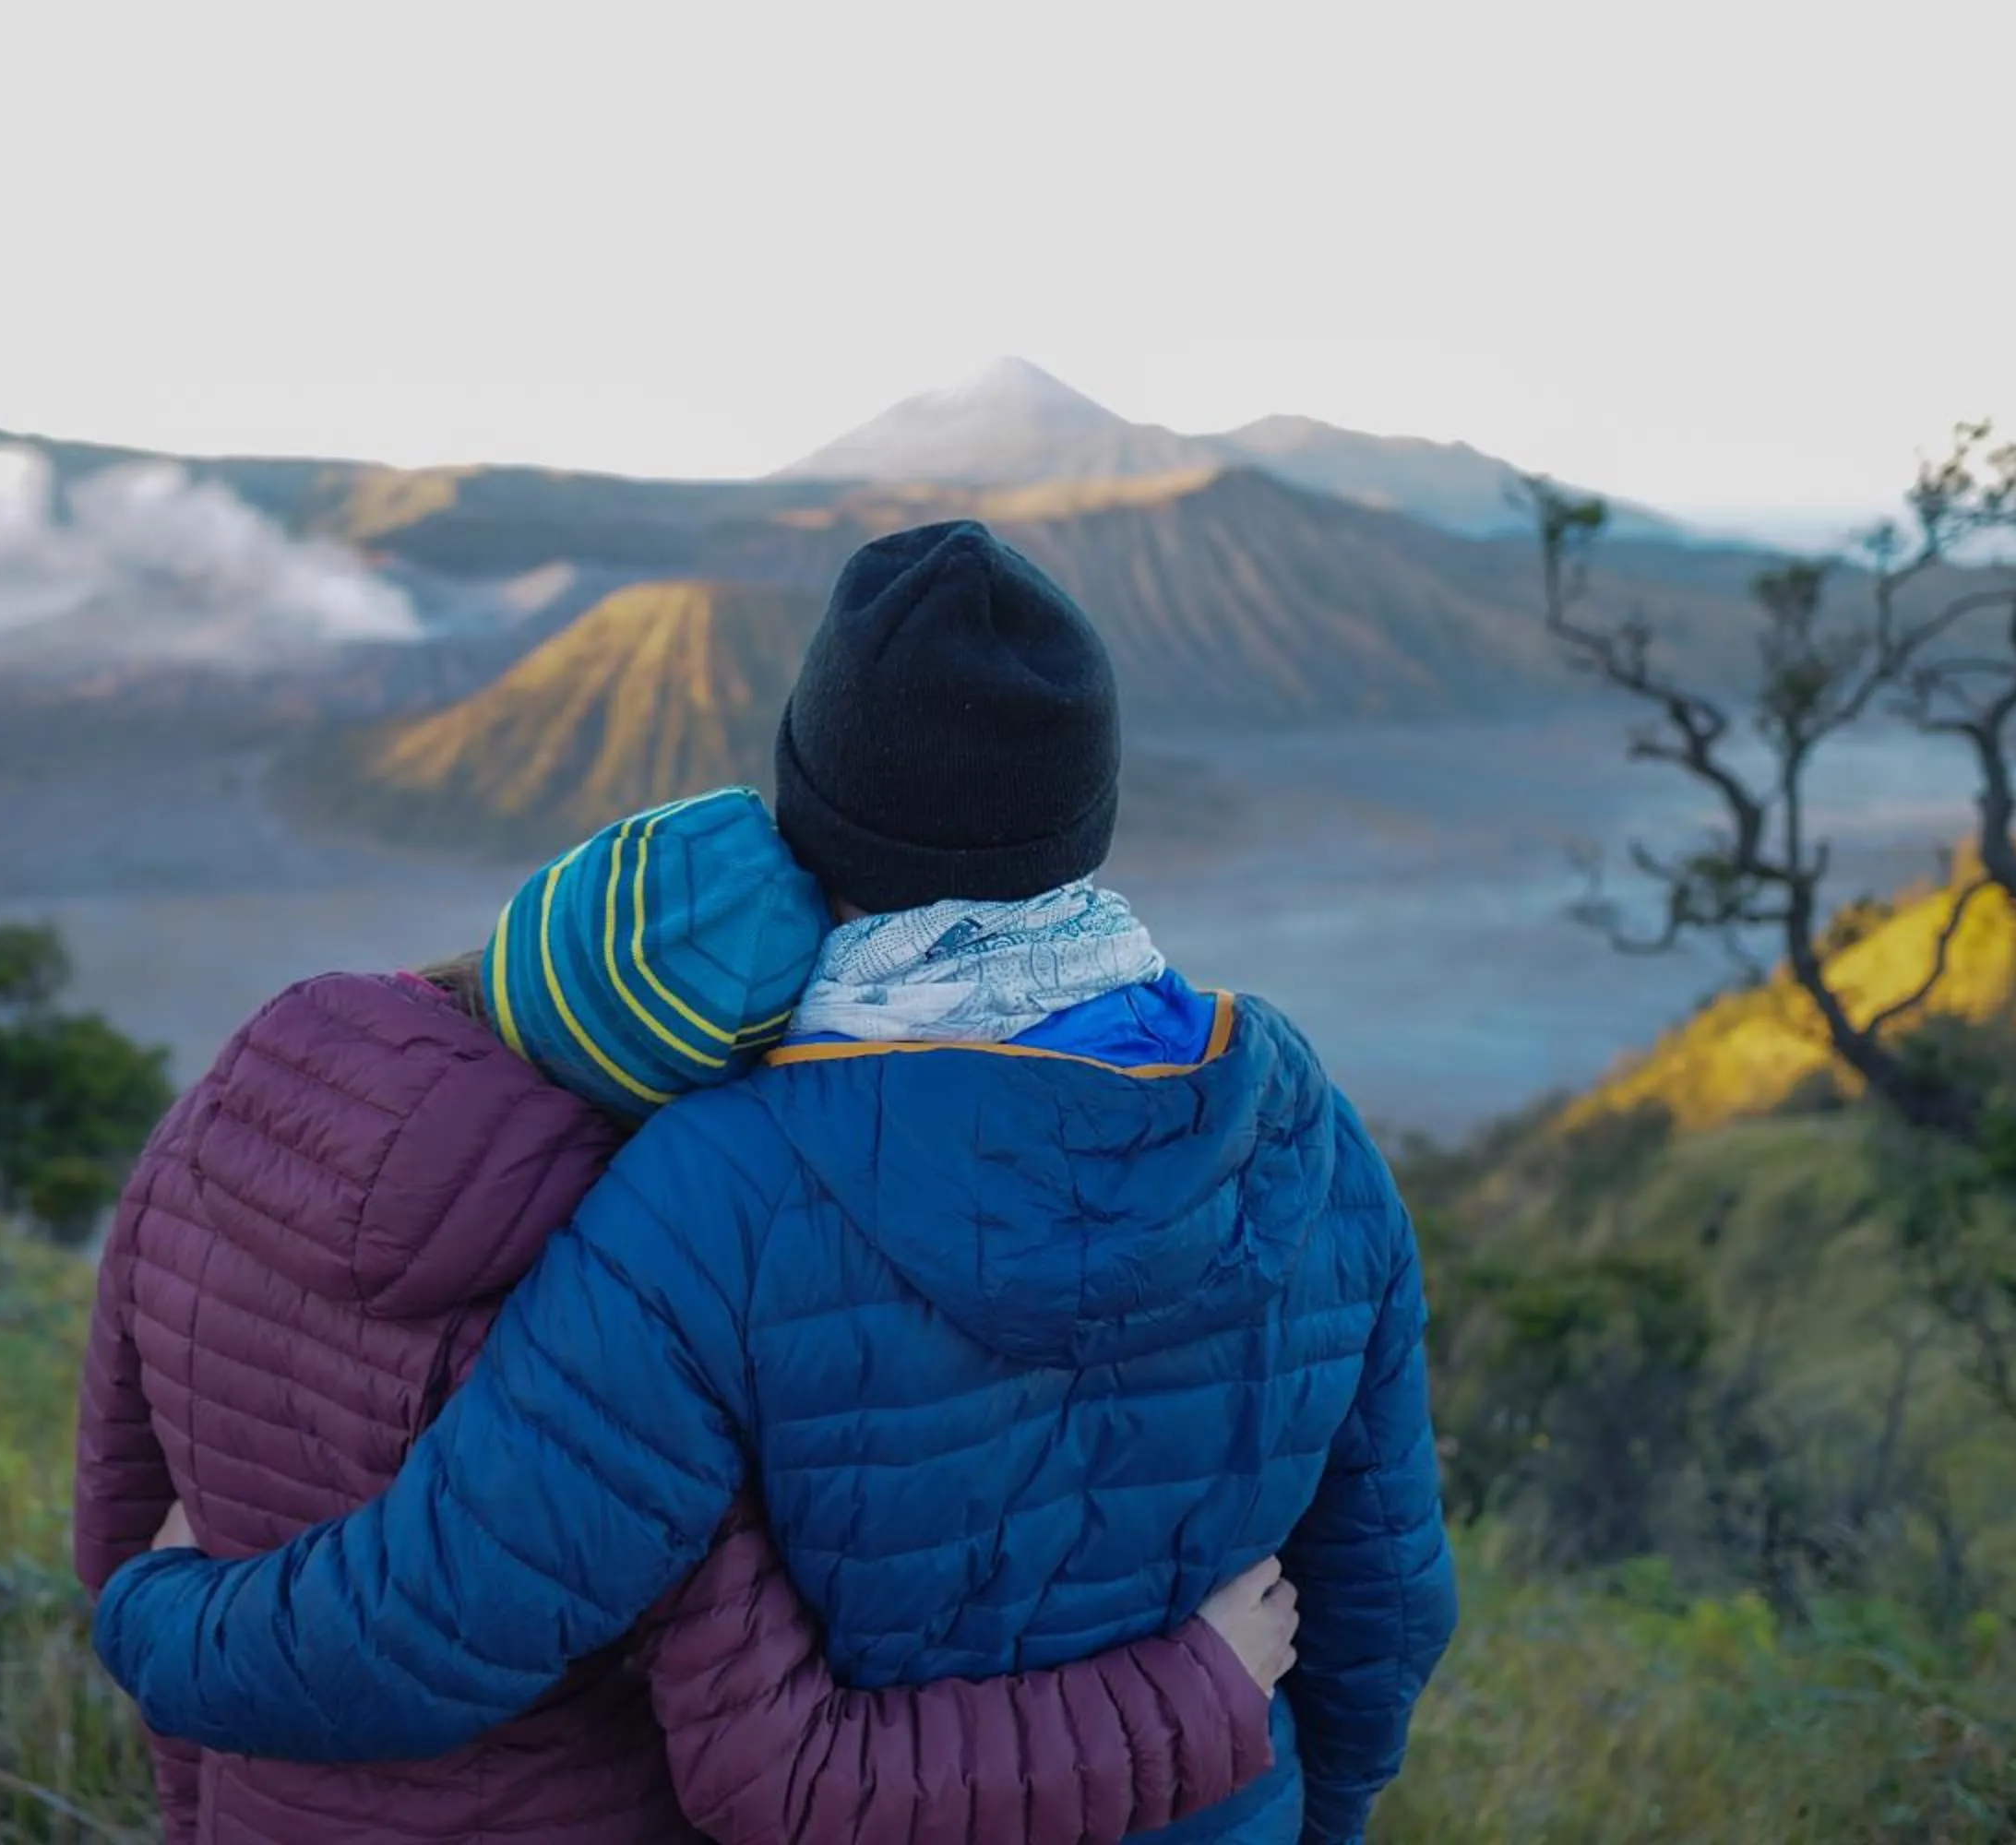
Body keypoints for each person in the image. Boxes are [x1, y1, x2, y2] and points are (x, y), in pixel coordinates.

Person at [92, 521, 1459, 1845]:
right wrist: (1308, 1815)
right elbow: (1385, 1606)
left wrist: (149, 1609)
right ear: (1084, 815)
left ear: (814, 815)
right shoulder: (1311, 1136)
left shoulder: (713, 1191)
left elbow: (442, 1622)